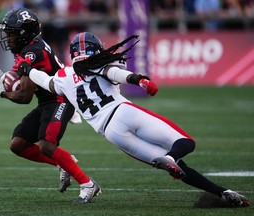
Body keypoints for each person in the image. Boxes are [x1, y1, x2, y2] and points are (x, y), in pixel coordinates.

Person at [15, 32, 250, 207]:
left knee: (177, 169)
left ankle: (223, 193)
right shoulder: (99, 64)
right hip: (125, 113)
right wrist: (139, 79)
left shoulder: (64, 75)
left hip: (112, 133)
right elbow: (113, 73)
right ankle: (172, 157)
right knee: (186, 143)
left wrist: (27, 69)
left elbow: (46, 82)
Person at [0, 9, 100, 203]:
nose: (9, 37)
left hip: (60, 99)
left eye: (12, 33)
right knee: (18, 145)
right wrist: (8, 77)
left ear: (24, 33)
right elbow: (21, 75)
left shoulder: (33, 52)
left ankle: (88, 185)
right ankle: (63, 163)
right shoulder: (28, 48)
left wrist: (3, 92)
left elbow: (24, 96)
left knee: (47, 146)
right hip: (47, 100)